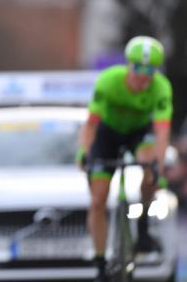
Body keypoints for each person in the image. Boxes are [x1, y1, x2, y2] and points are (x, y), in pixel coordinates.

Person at [77, 36, 172, 282]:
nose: (143, 75)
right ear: (128, 65)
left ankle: (142, 229)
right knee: (98, 200)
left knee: (150, 172)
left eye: (150, 70)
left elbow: (162, 130)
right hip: (107, 135)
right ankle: (100, 264)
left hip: (139, 134)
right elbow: (91, 124)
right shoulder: (109, 80)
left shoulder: (161, 88)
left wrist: (158, 167)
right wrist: (84, 153)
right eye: (138, 68)